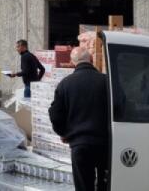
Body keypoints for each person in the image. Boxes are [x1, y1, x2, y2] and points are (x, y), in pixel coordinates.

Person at [48, 47, 108, 191]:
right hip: (105, 144)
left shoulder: (65, 84)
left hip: (80, 145)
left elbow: (55, 114)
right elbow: (120, 105)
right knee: (106, 184)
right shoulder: (106, 81)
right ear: (91, 59)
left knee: (84, 186)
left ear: (72, 62)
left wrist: (63, 133)